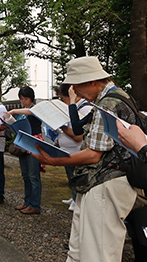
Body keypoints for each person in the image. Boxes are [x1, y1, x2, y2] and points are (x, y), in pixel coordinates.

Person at [32, 56, 139, 262]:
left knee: (98, 253)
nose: (75, 91)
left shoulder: (108, 103)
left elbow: (93, 154)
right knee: (81, 248)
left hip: (106, 182)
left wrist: (55, 160)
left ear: (92, 81)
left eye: (76, 85)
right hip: (101, 182)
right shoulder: (119, 97)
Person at [55, 84, 92, 211]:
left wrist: (62, 127)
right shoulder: (77, 107)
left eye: (64, 98)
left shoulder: (85, 109)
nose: (64, 101)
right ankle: (74, 197)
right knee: (71, 177)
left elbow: (78, 136)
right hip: (68, 150)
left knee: (77, 178)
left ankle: (77, 202)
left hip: (77, 151)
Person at [8, 86, 43, 215]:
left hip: (33, 145)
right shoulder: (22, 113)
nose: (24, 101)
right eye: (22, 99)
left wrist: (14, 111)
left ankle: (35, 205)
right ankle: (27, 202)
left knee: (34, 176)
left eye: (26, 99)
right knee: (26, 175)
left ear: (31, 98)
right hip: (23, 145)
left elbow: (31, 112)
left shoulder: (35, 109)